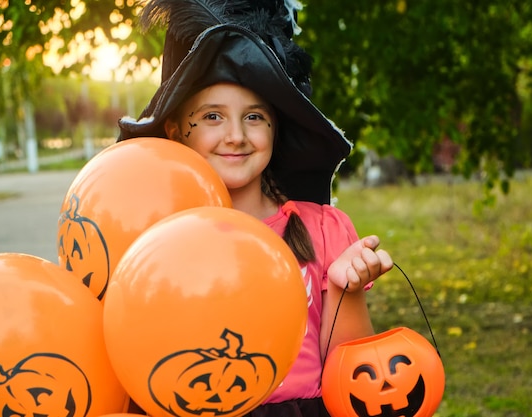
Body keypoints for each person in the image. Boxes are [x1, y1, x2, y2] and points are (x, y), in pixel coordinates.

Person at [118, 0, 393, 415]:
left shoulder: (323, 229)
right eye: (212, 116)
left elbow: (351, 377)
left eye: (254, 117)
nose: (235, 136)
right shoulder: (152, 242)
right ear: (175, 130)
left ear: (275, 126)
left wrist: (344, 288)